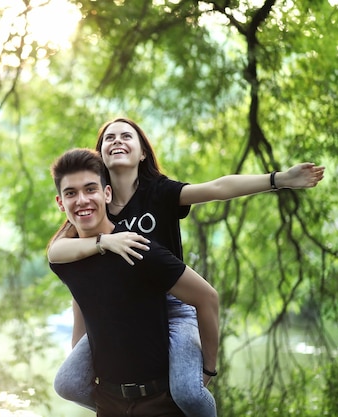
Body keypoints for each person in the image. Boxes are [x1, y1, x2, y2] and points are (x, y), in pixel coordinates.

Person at [49, 117, 326, 415]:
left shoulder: (159, 192)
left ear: (142, 152)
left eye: (126, 136)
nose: (117, 140)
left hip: (174, 302)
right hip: (122, 311)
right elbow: (63, 258)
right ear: (100, 156)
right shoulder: (90, 205)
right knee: (67, 383)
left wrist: (278, 180)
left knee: (188, 391)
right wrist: (104, 242)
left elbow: (219, 187)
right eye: (109, 137)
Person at [48, 148, 219, 417]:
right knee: (65, 383)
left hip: (161, 403)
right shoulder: (65, 259)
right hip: (110, 405)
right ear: (60, 202)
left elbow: (206, 297)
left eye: (90, 189)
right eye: (71, 193)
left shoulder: (138, 249)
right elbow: (80, 297)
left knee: (190, 394)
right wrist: (80, 358)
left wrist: (208, 369)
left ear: (106, 193)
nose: (81, 200)